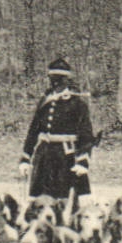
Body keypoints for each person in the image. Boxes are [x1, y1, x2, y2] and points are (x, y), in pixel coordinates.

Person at [18, 57, 95, 209]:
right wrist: (26, 158)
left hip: (66, 158)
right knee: (40, 201)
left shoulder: (77, 103)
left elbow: (86, 136)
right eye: (54, 80)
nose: (56, 84)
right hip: (44, 156)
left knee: (66, 202)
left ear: (67, 81)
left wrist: (83, 162)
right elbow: (33, 131)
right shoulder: (45, 101)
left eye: (60, 80)